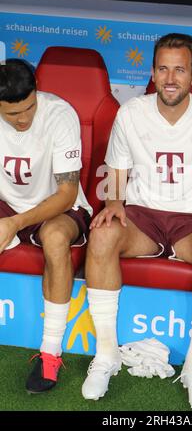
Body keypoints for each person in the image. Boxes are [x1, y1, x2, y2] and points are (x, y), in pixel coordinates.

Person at [81, 33, 192, 411]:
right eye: (163, 69)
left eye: (180, 70)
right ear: (152, 72)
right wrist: (114, 202)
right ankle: (106, 356)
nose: (170, 78)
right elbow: (116, 174)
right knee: (101, 234)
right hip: (141, 218)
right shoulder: (131, 112)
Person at [0, 59, 92, 394]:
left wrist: (14, 223)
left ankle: (51, 352)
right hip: (8, 205)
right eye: (12, 114)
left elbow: (67, 193)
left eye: (29, 107)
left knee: (54, 238)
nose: (23, 119)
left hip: (58, 206)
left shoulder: (59, 114)